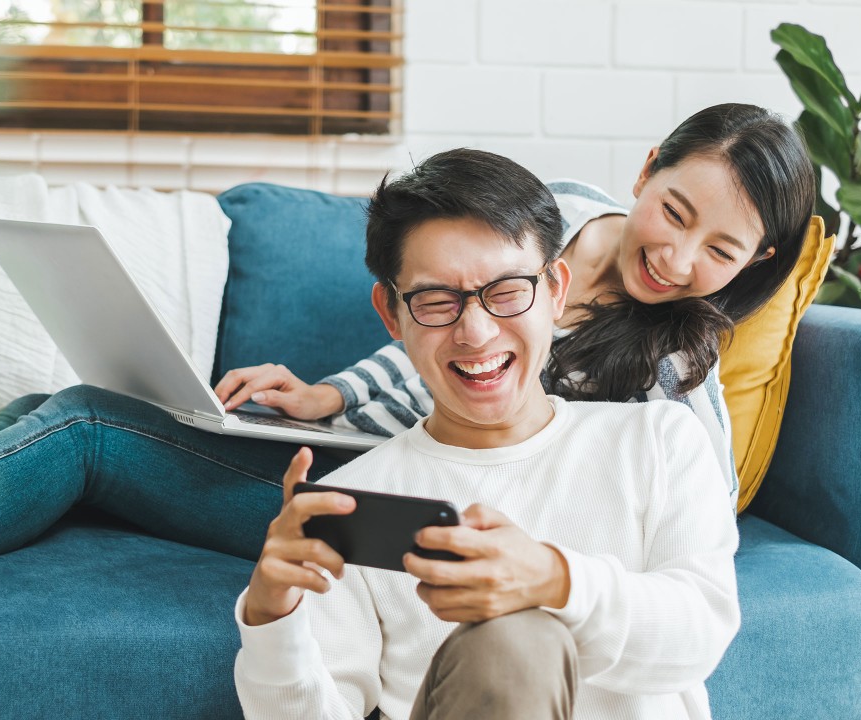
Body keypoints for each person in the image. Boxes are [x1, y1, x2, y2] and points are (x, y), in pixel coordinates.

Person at [0, 103, 814, 633]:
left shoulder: (677, 362)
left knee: (81, 430)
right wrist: (324, 397)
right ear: (647, 161)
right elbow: (427, 342)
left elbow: (686, 517)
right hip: (380, 449)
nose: (679, 257)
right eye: (674, 212)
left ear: (752, 264)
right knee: (48, 410)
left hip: (423, 518)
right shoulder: (544, 222)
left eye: (722, 252)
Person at [235, 146, 738, 720]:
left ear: (555, 291)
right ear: (391, 315)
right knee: (512, 644)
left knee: (521, 634)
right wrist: (273, 618)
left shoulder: (661, 440)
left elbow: (699, 634)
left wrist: (554, 581)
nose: (475, 333)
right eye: (435, 300)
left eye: (506, 292)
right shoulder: (356, 501)